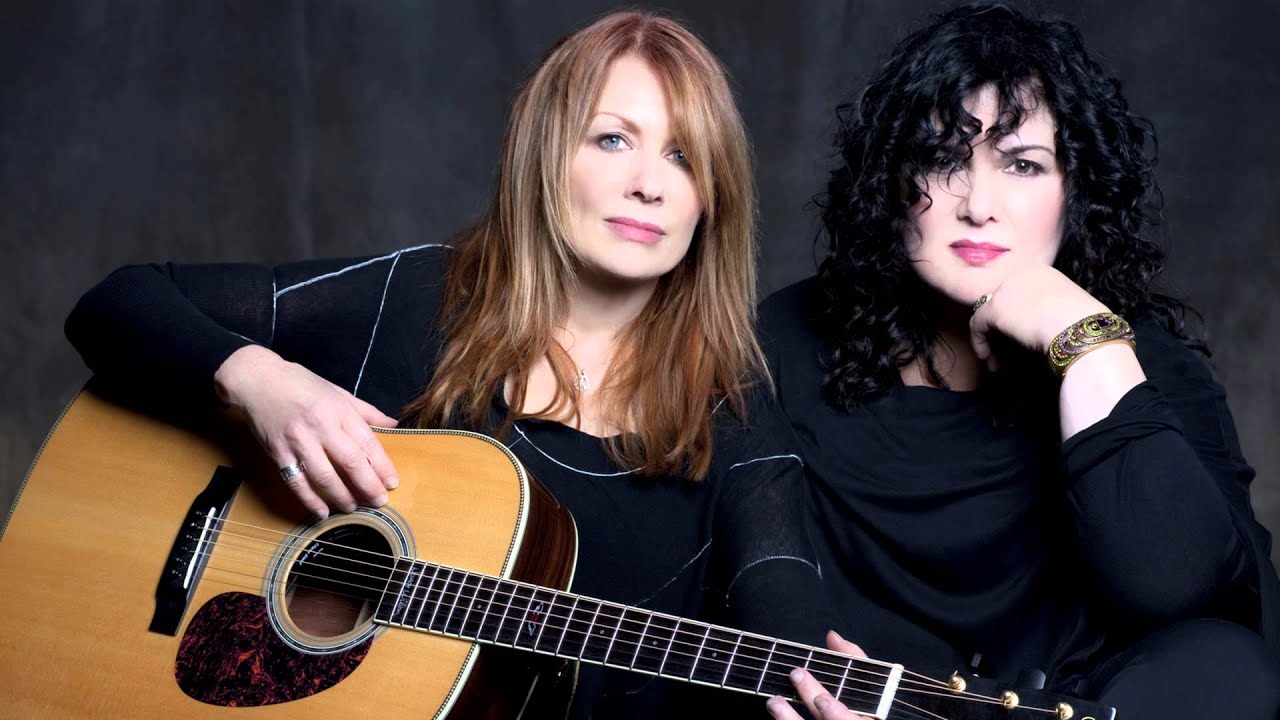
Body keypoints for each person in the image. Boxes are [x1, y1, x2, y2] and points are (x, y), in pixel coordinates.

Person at [66, 11, 839, 718]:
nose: (649, 184)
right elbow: (116, 304)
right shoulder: (418, 297)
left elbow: (785, 607)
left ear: (712, 197)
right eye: (613, 139)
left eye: (684, 156)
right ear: (546, 153)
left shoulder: (731, 403)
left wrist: (829, 693)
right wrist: (268, 383)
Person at [760, 4, 1280, 720]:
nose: (980, 205)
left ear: (1075, 194)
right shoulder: (783, 344)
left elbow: (1197, 610)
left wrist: (1083, 341)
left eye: (1023, 165)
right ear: (892, 182)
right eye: (943, 159)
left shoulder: (1143, 363)